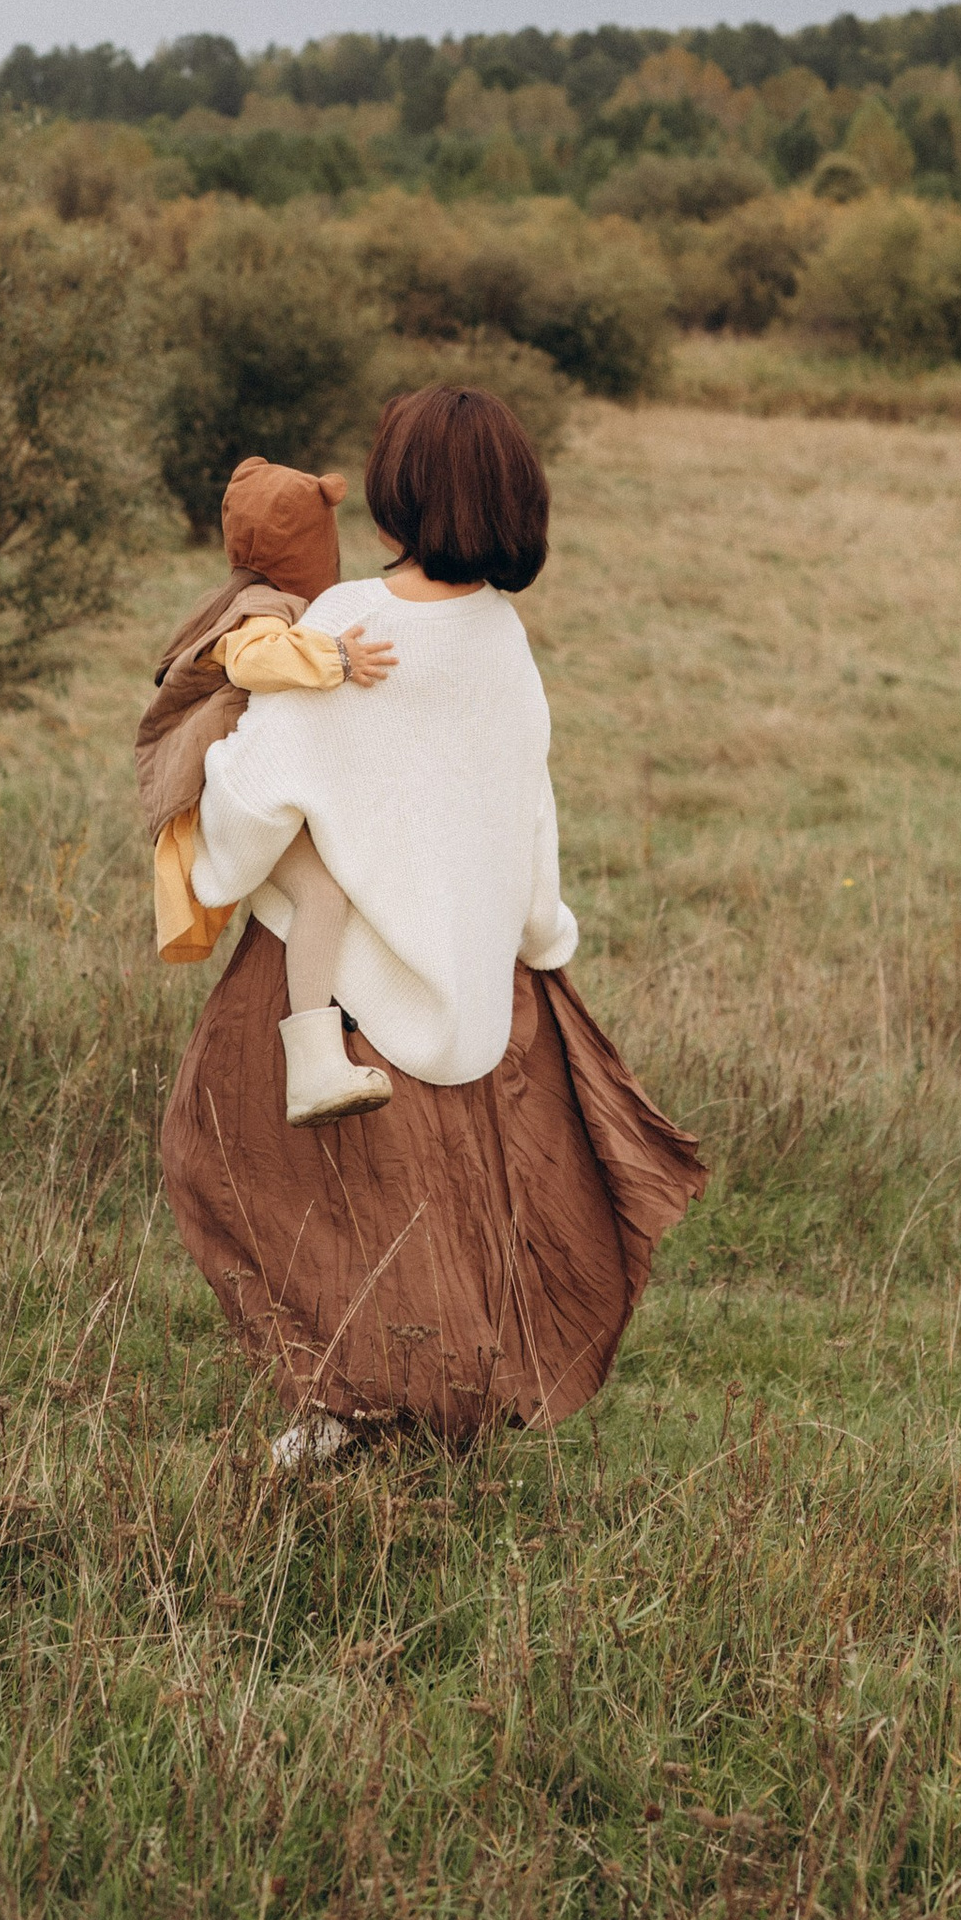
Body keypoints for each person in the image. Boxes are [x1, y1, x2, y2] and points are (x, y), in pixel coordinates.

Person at [160, 384, 708, 1460]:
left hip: (331, 967)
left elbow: (262, 794)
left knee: (234, 1160)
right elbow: (525, 804)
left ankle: (347, 1406)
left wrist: (203, 782)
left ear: (394, 492)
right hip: (468, 966)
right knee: (424, 1197)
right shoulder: (502, 636)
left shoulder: (343, 619)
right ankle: (399, 1406)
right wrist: (540, 939)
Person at [137, 456, 401, 1125]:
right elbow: (254, 660)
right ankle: (313, 1070)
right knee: (321, 892)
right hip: (230, 796)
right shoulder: (262, 607)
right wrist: (335, 659)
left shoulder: (240, 596)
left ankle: (330, 1030)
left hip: (239, 787)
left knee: (332, 879)